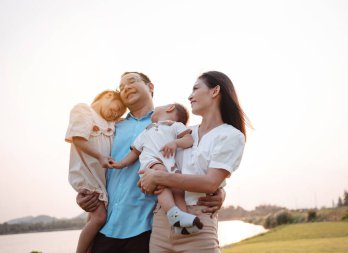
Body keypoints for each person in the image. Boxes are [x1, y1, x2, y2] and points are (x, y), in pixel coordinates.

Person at [75, 72, 226, 253]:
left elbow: (197, 163)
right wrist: (84, 192)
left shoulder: (172, 124)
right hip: (106, 229)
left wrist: (221, 191)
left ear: (150, 87)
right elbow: (91, 164)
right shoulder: (110, 127)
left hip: (148, 230)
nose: (126, 88)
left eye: (132, 81)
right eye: (121, 87)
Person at [139, 71, 249, 253]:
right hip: (161, 224)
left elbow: (210, 182)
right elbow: (154, 163)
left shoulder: (231, 135)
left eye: (196, 88)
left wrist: (158, 177)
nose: (190, 96)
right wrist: (148, 180)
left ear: (215, 91)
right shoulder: (181, 132)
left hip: (199, 223)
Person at [109, 103, 204, 234]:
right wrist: (120, 164)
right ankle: (172, 213)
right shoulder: (146, 131)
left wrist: (175, 143)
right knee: (161, 181)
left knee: (178, 190)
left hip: (170, 167)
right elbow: (134, 153)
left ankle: (183, 220)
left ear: (170, 108)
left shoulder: (175, 126)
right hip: (151, 166)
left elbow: (189, 140)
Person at [65, 90, 126, 253]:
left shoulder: (111, 124)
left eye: (119, 113)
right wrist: (100, 156)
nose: (116, 113)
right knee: (99, 217)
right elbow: (78, 139)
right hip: (87, 176)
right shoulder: (84, 111)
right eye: (117, 108)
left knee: (94, 220)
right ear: (108, 96)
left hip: (101, 180)